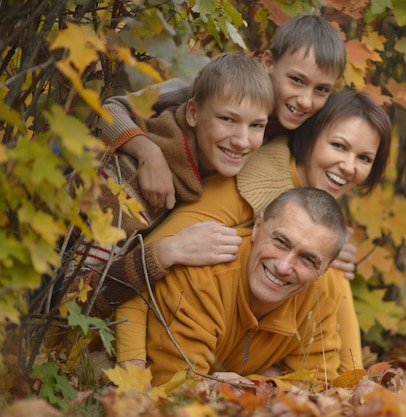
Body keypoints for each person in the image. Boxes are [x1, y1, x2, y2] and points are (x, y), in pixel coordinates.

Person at [86, 13, 350, 314]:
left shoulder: (304, 124)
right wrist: (149, 153)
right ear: (268, 64)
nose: (305, 100)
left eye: (321, 90)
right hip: (126, 171)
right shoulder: (219, 83)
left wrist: (326, 245)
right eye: (296, 81)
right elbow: (109, 110)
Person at [115, 88, 392, 373]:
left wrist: (351, 387)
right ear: (311, 137)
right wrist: (131, 367)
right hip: (134, 325)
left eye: (364, 159)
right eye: (338, 146)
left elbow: (334, 297)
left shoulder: (319, 207)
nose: (348, 166)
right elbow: (142, 266)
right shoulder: (246, 188)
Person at [67, 52, 274, 315]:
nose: (242, 141)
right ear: (192, 113)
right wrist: (166, 252)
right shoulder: (129, 184)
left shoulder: (204, 170)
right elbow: (71, 302)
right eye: (227, 120)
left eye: (256, 125)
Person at [115, 187, 349, 386]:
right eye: (280, 242)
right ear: (257, 227)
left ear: (324, 271)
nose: (284, 266)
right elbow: (176, 390)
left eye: (308, 259)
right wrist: (267, 386)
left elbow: (316, 387)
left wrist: (262, 387)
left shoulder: (322, 295)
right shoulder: (202, 279)